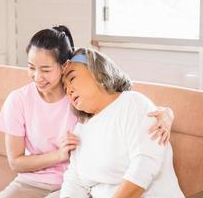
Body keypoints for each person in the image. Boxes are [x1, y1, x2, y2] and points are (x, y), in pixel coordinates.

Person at [0, 25, 174, 198]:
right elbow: (19, 162)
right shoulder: (79, 115)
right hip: (39, 182)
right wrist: (58, 155)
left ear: (63, 66)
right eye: (31, 67)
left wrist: (167, 113)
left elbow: (121, 96)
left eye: (46, 70)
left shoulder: (90, 105)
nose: (37, 77)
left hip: (72, 185)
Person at [60, 48, 184, 198]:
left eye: (72, 78)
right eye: (65, 88)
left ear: (97, 72)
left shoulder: (133, 104)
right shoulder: (81, 127)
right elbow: (75, 178)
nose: (69, 90)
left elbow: (144, 166)